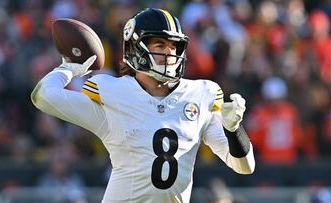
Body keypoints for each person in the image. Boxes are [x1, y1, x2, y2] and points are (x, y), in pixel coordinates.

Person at [31, 8, 255, 203]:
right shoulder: (113, 93)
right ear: (135, 49)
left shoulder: (200, 94)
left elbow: (244, 166)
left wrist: (233, 129)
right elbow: (43, 96)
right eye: (160, 44)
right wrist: (70, 68)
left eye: (174, 46)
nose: (169, 53)